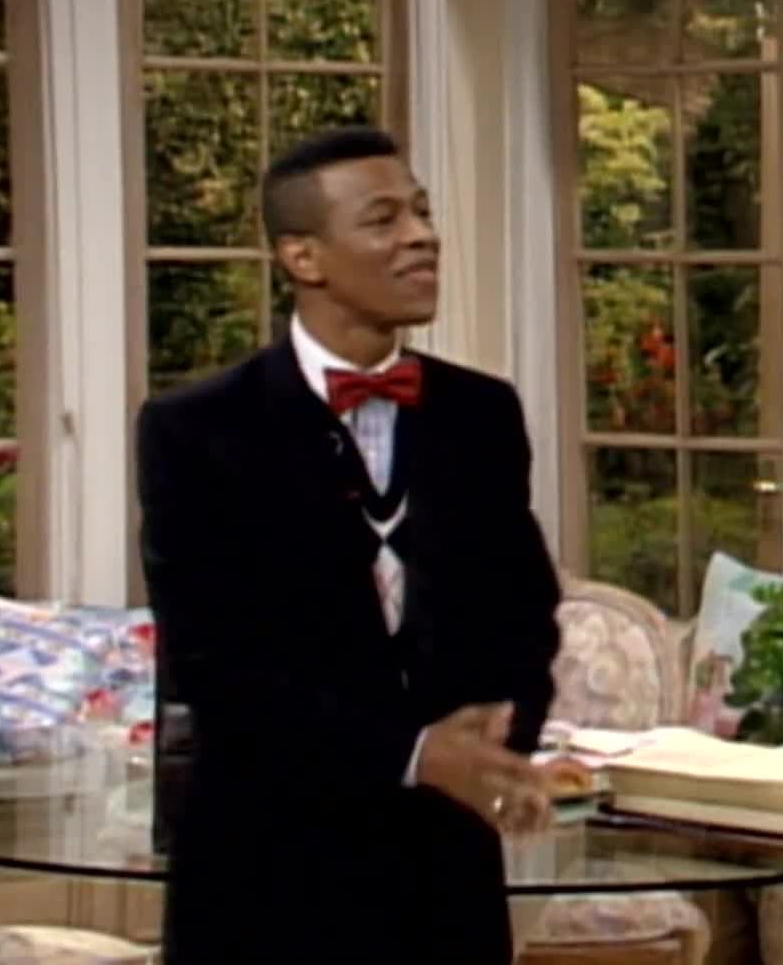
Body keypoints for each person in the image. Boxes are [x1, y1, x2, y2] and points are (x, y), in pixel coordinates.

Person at [137, 127, 562, 964]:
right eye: (384, 219)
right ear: (303, 257)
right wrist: (413, 756)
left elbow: (525, 613)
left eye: (423, 212)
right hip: (265, 882)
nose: (422, 236)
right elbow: (216, 664)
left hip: (444, 883)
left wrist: (499, 741)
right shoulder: (195, 431)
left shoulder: (481, 415)